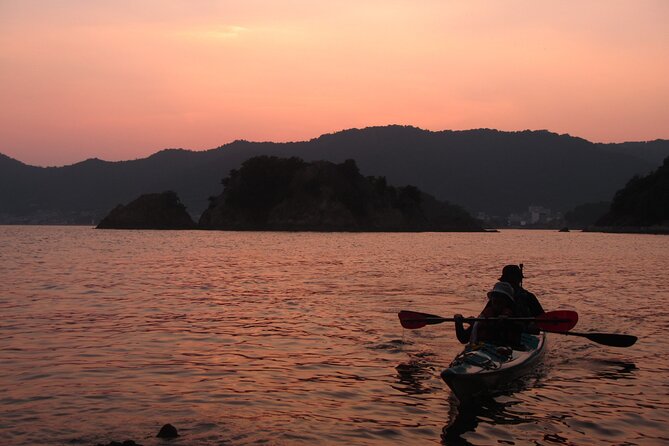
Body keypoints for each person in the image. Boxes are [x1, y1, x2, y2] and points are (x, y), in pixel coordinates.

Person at [455, 281, 523, 347]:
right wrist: (458, 323)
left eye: (502, 297)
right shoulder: (483, 317)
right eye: (495, 296)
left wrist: (505, 323)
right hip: (481, 349)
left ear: (508, 301)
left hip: (502, 351)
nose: (497, 299)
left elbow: (514, 338)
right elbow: (463, 339)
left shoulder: (514, 319)